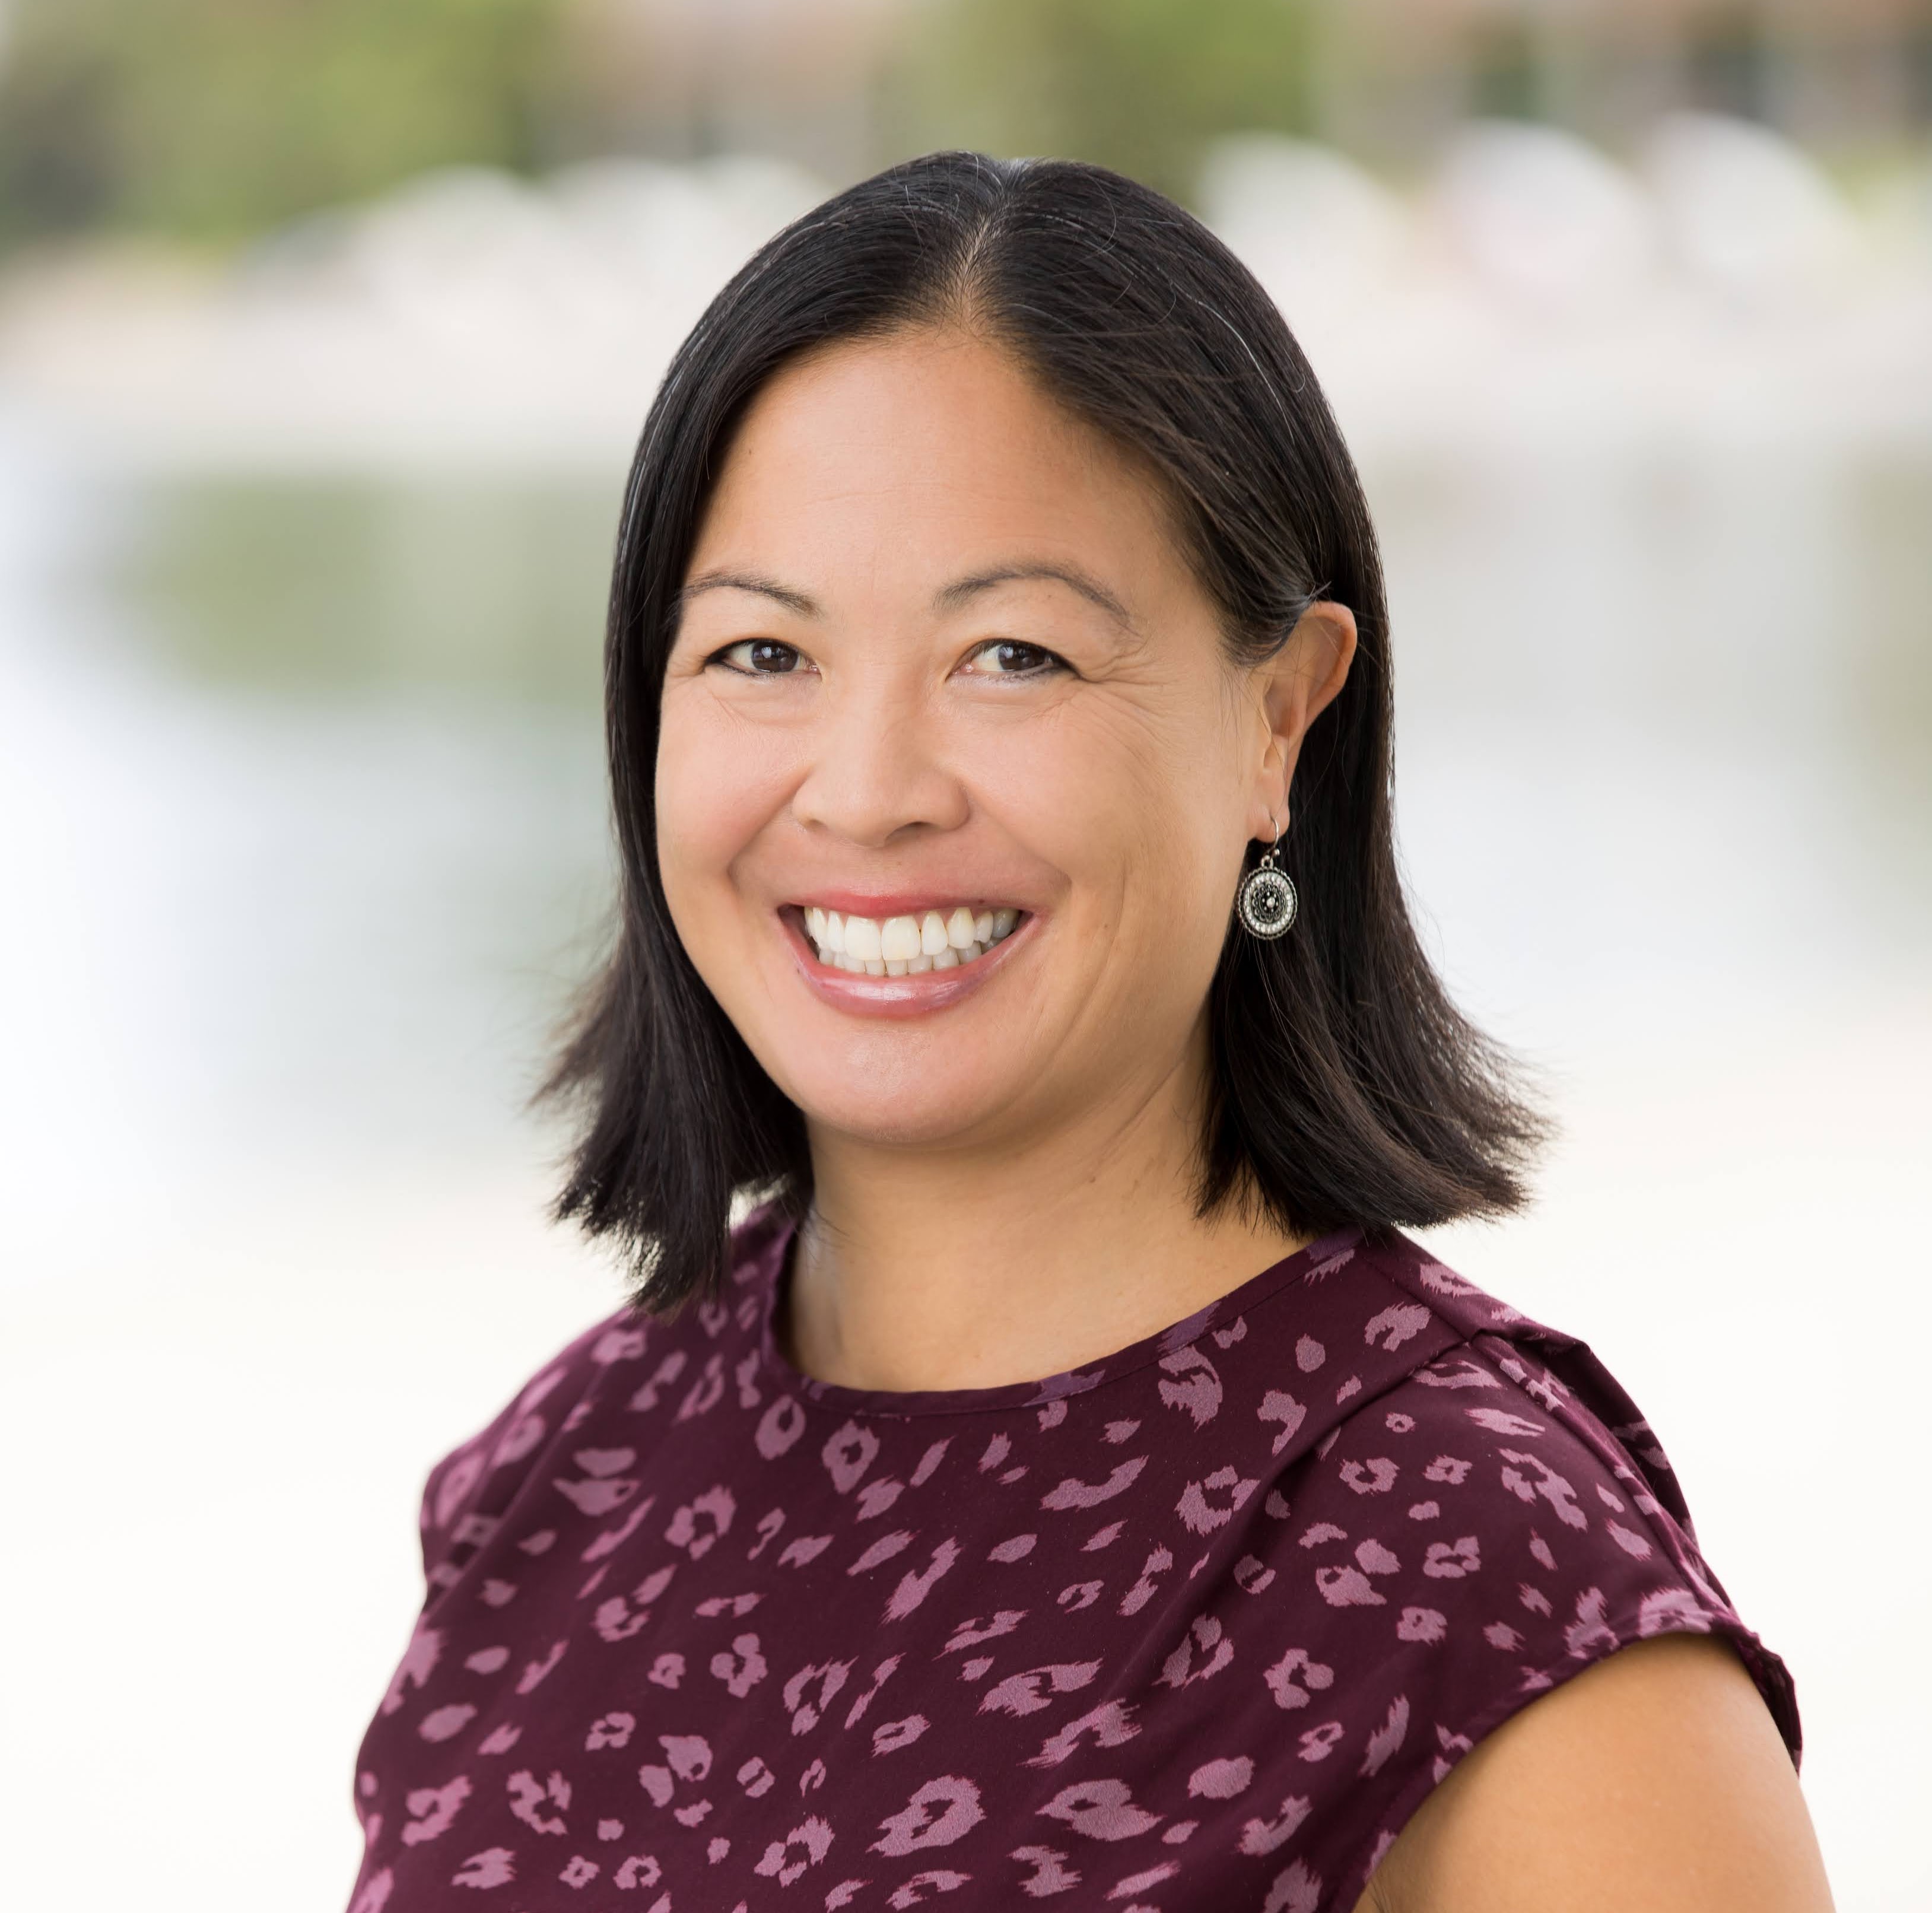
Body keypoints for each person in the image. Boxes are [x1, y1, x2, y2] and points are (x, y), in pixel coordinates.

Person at [344, 152, 1831, 1913]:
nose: (871, 790)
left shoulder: (1483, 1575)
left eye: (1014, 656)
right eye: (761, 655)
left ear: (1281, 717)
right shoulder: (559, 1482)